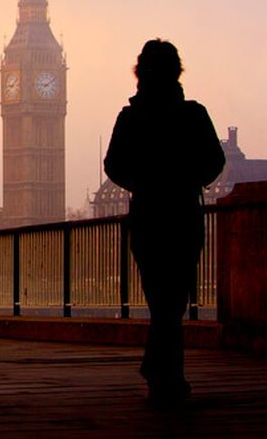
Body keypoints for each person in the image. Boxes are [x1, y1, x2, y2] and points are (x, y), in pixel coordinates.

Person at [104, 39, 224, 405]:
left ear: (140, 73)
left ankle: (161, 374)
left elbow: (113, 165)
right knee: (173, 301)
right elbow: (216, 161)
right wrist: (190, 180)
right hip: (184, 215)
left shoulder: (131, 117)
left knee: (161, 300)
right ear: (177, 72)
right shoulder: (194, 114)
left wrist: (143, 184)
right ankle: (166, 376)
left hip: (148, 217)